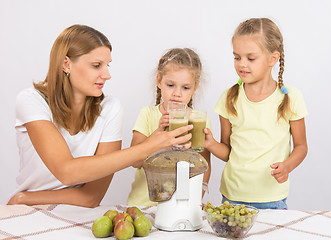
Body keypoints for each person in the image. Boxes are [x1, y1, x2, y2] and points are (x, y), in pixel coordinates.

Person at [7, 25, 192, 208]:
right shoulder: (31, 101)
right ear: (66, 64)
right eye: (96, 65)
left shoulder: (110, 109)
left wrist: (26, 198)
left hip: (70, 211)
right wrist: (150, 146)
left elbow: (91, 198)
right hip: (27, 212)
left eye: (107, 65)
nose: (107, 75)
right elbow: (66, 171)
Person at [204, 18, 308, 209]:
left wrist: (287, 166)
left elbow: (301, 146)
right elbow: (228, 152)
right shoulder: (229, 98)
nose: (242, 64)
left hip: (272, 198)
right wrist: (210, 144)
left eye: (250, 58)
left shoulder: (291, 98)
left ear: (273, 58)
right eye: (237, 57)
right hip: (232, 197)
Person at [127, 48, 211, 207]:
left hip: (181, 206)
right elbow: (134, 161)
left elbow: (204, 166)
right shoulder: (147, 114)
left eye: (185, 88)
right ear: (159, 81)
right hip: (143, 205)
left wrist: (195, 200)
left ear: (195, 87)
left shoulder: (199, 120)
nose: (177, 94)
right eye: (171, 85)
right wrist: (157, 134)